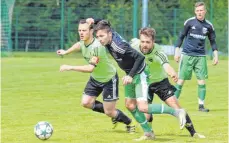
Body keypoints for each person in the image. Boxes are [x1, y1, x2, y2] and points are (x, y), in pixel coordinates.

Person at [88, 18, 187, 141]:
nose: (99, 39)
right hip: (129, 73)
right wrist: (94, 21)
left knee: (143, 107)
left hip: (140, 74)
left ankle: (177, 112)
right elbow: (106, 23)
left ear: (109, 34)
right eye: (97, 37)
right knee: (129, 105)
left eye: (101, 36)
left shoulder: (119, 46)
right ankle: (148, 133)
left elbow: (140, 58)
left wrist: (130, 75)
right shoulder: (109, 33)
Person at [56, 19, 135, 132]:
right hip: (95, 79)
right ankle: (113, 115)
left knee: (109, 112)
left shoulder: (97, 47)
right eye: (79, 30)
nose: (81, 33)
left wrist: (70, 67)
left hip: (109, 79)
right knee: (86, 102)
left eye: (84, 30)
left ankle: (129, 122)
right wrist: (66, 52)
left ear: (91, 31)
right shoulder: (84, 42)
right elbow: (79, 45)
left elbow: (90, 68)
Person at [130, 27, 205, 138]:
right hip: (144, 83)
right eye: (142, 41)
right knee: (145, 114)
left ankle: (193, 133)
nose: (144, 45)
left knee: (177, 107)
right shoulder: (134, 46)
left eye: (147, 42)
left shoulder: (158, 52)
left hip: (161, 83)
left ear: (153, 42)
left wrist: (172, 73)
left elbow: (166, 65)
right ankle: (149, 134)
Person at [174, 2, 219, 112]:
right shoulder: (189, 22)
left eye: (201, 10)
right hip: (187, 55)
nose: (199, 12)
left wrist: (216, 55)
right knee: (181, 81)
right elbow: (181, 37)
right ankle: (172, 104)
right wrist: (177, 52)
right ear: (195, 11)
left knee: (201, 81)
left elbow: (213, 41)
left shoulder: (209, 26)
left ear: (205, 11)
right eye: (198, 10)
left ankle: (201, 106)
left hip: (200, 56)